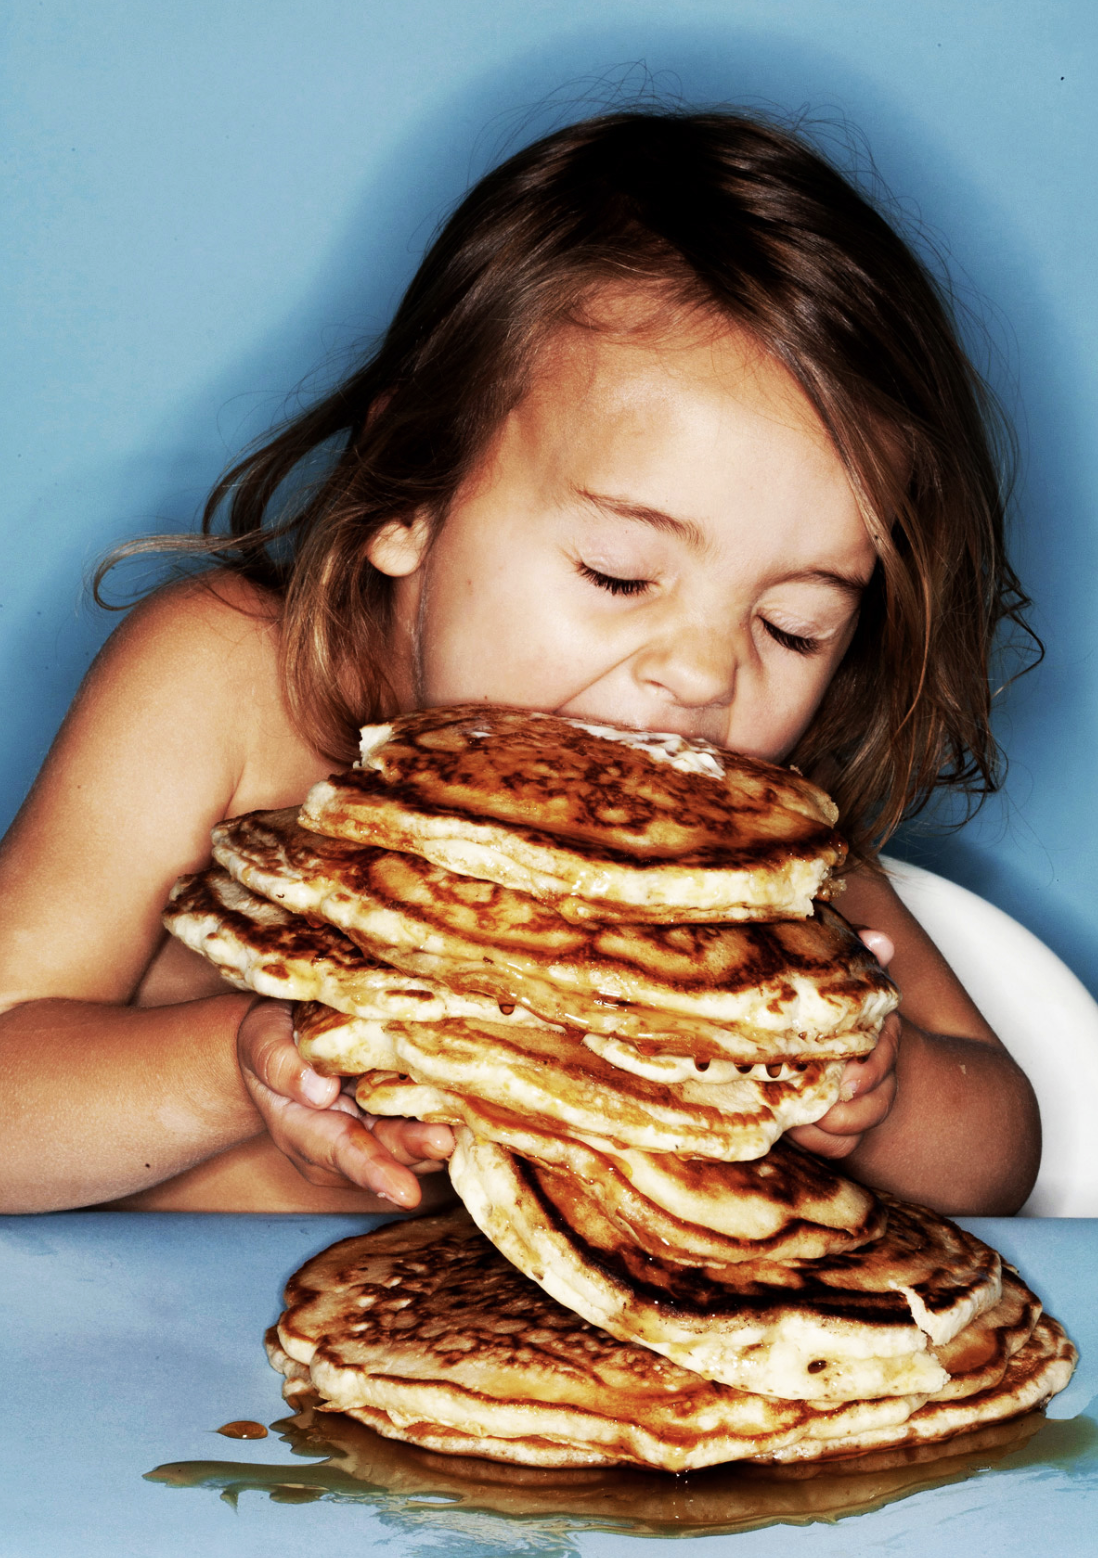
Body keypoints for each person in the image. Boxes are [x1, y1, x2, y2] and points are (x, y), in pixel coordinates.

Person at [0, 110, 1041, 1218]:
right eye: (618, 573)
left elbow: (1001, 1148)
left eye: (793, 627)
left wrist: (872, 1087)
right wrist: (241, 1066)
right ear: (411, 489)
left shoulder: (744, 851)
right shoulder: (224, 685)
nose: (704, 675)